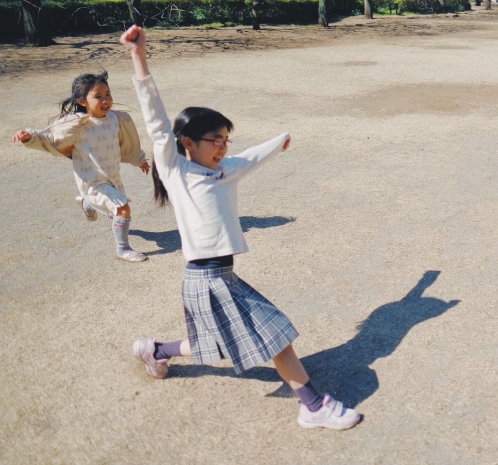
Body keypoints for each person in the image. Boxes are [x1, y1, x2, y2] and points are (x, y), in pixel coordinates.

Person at [119, 25, 361, 431]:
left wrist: (279, 139)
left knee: (218, 343)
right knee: (274, 335)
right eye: (216, 140)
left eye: (226, 140)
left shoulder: (224, 170)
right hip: (206, 276)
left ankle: (157, 349)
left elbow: (249, 158)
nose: (223, 148)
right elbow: (157, 121)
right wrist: (139, 57)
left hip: (220, 273)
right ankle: (313, 406)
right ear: (188, 142)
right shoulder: (177, 170)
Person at [11, 71, 150, 262]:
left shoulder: (116, 119)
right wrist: (29, 136)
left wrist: (139, 159)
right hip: (91, 179)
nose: (105, 100)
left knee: (116, 206)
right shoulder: (76, 123)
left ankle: (86, 202)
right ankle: (122, 249)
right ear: (83, 101)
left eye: (107, 94)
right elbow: (50, 136)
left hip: (111, 175)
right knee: (122, 208)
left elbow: (127, 143)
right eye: (98, 96)